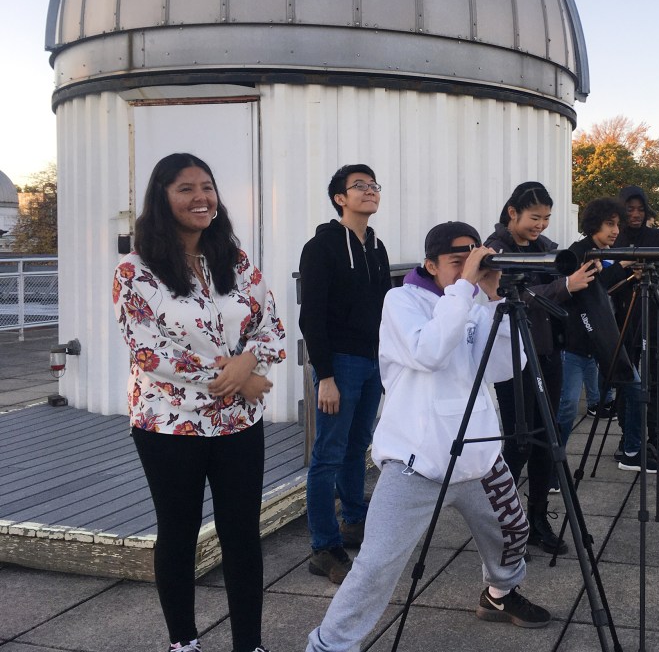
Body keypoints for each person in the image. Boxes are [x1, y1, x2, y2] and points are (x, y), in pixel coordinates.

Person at [306, 222, 551, 652]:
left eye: (474, 260)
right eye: (458, 262)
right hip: (417, 459)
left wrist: (492, 300)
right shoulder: (401, 301)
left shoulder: (473, 301)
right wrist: (465, 293)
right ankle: (329, 645)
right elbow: (430, 352)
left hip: (476, 453)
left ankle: (499, 595)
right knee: (377, 564)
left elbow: (504, 367)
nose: (467, 272)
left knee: (511, 533)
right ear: (430, 264)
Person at [113, 153, 286, 652]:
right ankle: (183, 642)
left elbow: (270, 325)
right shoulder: (136, 271)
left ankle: (248, 644)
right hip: (168, 426)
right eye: (185, 188)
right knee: (179, 532)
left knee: (241, 535)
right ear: (162, 198)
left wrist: (246, 366)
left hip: (238, 424)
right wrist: (237, 378)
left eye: (206, 187)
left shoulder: (234, 260)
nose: (200, 197)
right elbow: (150, 351)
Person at [298, 164, 392, 583]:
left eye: (374, 185)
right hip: (341, 363)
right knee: (327, 455)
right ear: (340, 198)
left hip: (372, 361)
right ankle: (324, 546)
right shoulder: (321, 248)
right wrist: (326, 375)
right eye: (360, 186)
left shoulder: (376, 245)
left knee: (359, 446)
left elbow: (385, 308)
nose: (370, 191)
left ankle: (354, 519)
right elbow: (310, 316)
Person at [485, 182, 593, 539]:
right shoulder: (494, 250)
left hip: (548, 350)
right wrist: (566, 286)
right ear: (512, 212)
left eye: (546, 218)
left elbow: (558, 291)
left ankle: (538, 518)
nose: (541, 225)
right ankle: (501, 521)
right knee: (518, 440)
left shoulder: (547, 249)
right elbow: (509, 296)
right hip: (512, 353)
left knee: (548, 437)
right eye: (535, 217)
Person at [600, 185, 659, 473]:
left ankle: (654, 437)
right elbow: (604, 283)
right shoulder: (613, 238)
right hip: (622, 322)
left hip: (655, 318)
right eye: (629, 208)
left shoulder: (658, 237)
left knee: (656, 381)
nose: (635, 214)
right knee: (626, 384)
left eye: (640, 208)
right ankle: (628, 436)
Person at [556, 198, 626, 444]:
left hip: (591, 344)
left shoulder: (595, 252)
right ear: (595, 223)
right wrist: (623, 265)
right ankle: (554, 464)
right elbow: (588, 290)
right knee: (567, 407)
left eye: (617, 224)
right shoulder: (579, 253)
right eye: (609, 224)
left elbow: (601, 289)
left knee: (571, 405)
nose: (615, 230)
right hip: (573, 345)